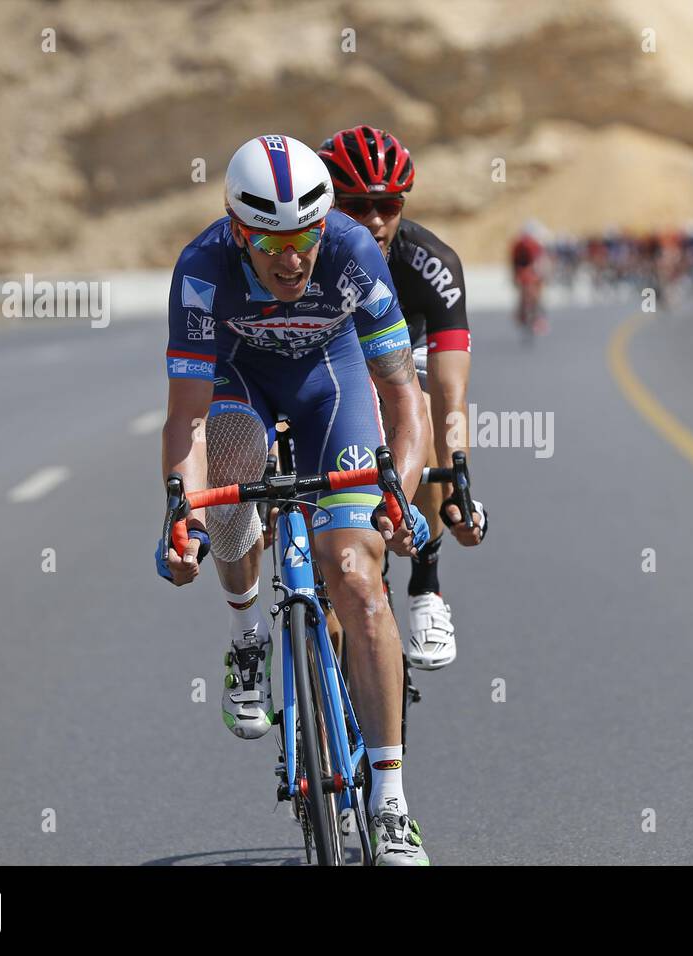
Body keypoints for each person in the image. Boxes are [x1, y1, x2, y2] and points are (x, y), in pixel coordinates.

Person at [157, 134, 431, 865]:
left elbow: (406, 402)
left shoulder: (351, 252)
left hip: (327, 385)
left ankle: (393, 803)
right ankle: (247, 637)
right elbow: (185, 419)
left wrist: (398, 497)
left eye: (304, 236)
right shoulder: (202, 270)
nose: (292, 258)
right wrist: (181, 515)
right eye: (270, 242)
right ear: (237, 233)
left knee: (359, 581)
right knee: (234, 465)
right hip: (237, 384)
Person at [318, 125, 488, 671]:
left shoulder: (430, 262)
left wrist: (459, 472)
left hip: (402, 362)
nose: (373, 219)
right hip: (325, 363)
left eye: (387, 205)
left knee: (423, 411)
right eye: (356, 205)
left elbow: (449, 388)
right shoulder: (302, 256)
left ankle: (427, 588)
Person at [511, 220, 547, 336]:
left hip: (523, 271)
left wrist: (514, 276)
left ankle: (521, 314)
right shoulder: (534, 243)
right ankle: (536, 317)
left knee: (524, 294)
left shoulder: (518, 243)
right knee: (535, 295)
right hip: (529, 271)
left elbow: (513, 262)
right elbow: (539, 261)